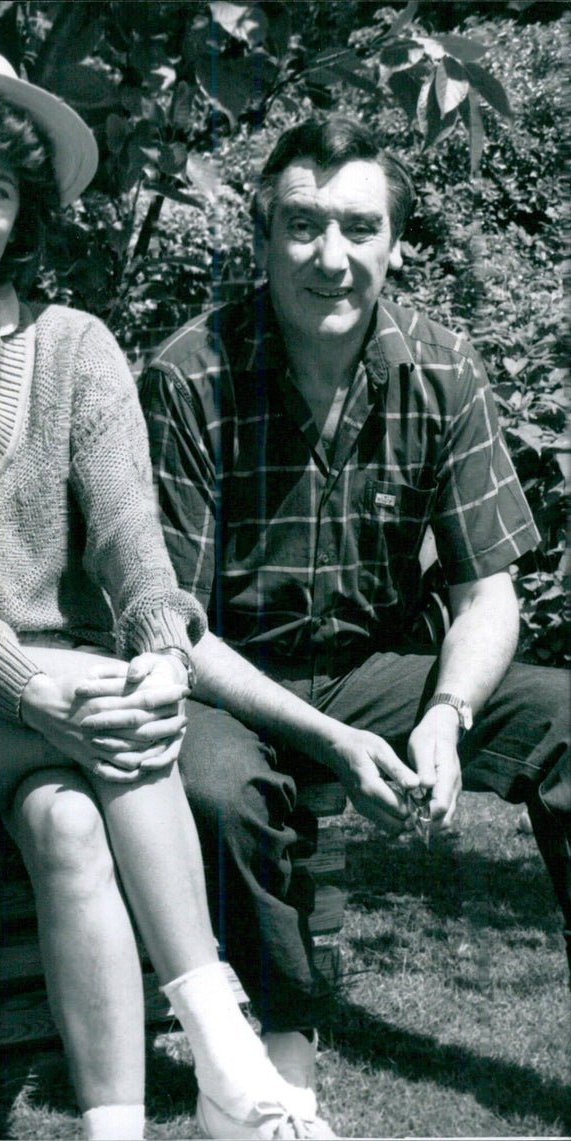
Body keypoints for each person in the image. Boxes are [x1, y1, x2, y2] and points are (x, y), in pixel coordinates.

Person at [0, 51, 338, 1141]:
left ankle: (113, 1125)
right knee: (115, 737)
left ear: (23, 213)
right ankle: (231, 1062)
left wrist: (151, 644)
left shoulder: (77, 347)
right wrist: (55, 689)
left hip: (65, 699)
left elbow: (134, 536)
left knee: (67, 818)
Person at [139, 114, 570, 1095]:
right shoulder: (189, 375)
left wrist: (446, 717)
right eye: (300, 226)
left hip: (368, 674)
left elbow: (485, 587)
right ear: (260, 239)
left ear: (394, 242)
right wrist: (328, 743)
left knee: (567, 721)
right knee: (216, 787)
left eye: (357, 228)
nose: (329, 256)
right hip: (220, 681)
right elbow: (172, 627)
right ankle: (280, 1039)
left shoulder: (440, 366)